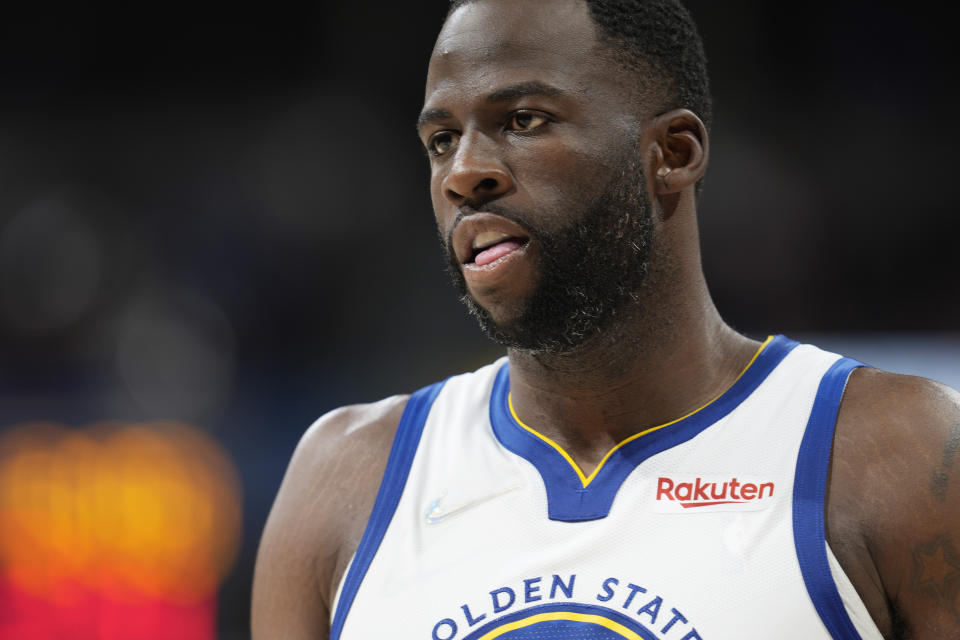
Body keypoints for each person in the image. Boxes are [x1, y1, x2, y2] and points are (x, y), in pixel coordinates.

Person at [251, 0, 960, 638]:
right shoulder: (346, 480)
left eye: (522, 120)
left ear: (672, 155)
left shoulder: (893, 455)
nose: (463, 173)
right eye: (441, 140)